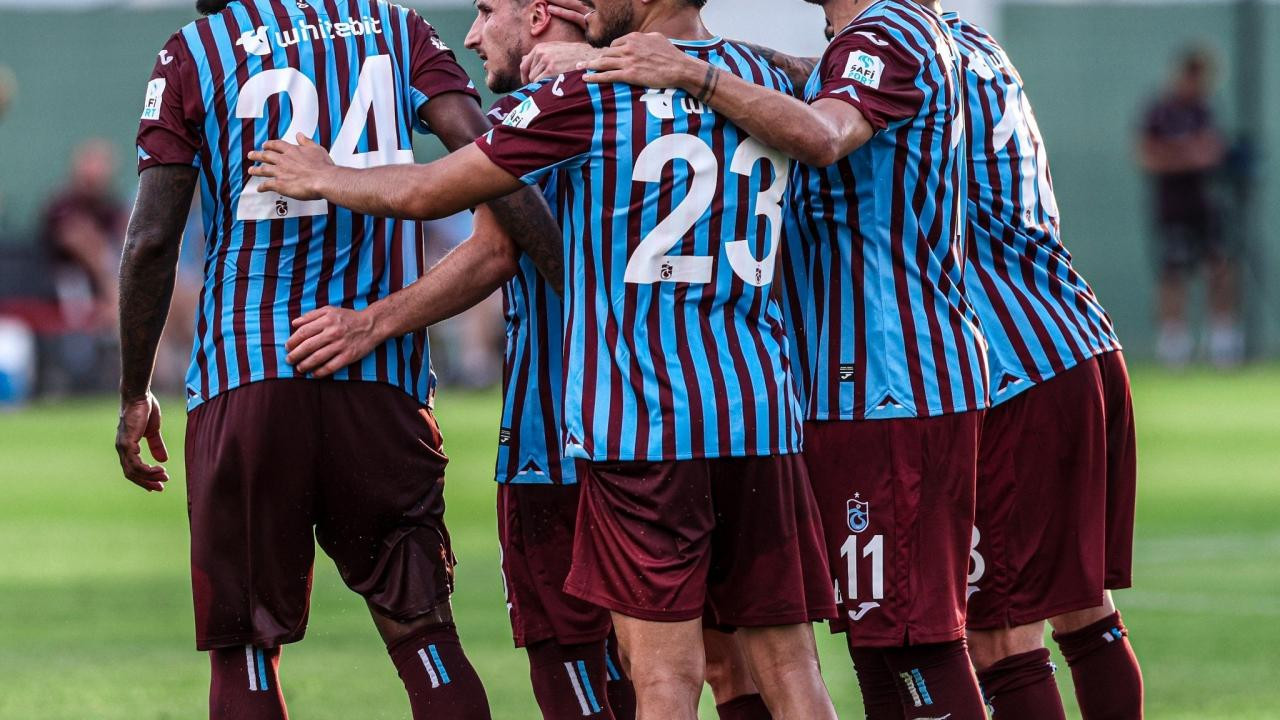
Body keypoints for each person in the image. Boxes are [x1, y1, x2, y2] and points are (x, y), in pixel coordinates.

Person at [248, 1, 841, 718]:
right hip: (759, 411)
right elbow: (823, 88)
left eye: (485, 10)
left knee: (660, 678)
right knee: (787, 668)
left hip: (636, 423)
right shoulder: (752, 80)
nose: (472, 33)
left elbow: (442, 200)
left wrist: (324, 176)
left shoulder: (579, 96)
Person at [114, 0, 563, 717]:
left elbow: (150, 241)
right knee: (424, 634)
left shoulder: (194, 50)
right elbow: (486, 151)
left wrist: (134, 392)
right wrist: (572, 281)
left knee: (247, 647)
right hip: (382, 378)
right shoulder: (398, 27)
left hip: (249, 373)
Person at [571, 0, 991, 717]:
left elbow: (822, 136)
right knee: (868, 640)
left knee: (911, 642)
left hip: (890, 381)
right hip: (858, 386)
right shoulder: (868, 43)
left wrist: (693, 74)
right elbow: (812, 82)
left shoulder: (887, 30)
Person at [283, 0, 642, 716]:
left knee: (569, 652)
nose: (472, 34)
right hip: (689, 419)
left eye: (485, 10)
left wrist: (369, 321)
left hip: (560, 436)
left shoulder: (544, 109)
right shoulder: (685, 92)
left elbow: (489, 248)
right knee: (711, 658)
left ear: (538, 16)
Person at [941, 7, 1144, 719]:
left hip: (1012, 367)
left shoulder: (903, 57)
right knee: (1085, 611)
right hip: (1078, 339)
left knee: (998, 635)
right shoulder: (977, 45)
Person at [1138, 48, 1239, 368]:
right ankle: (1174, 346)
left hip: (1206, 208)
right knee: (1173, 274)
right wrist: (1186, 155)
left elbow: (1214, 150)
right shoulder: (1160, 112)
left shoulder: (1205, 111)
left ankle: (1222, 343)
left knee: (1220, 267)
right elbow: (1147, 155)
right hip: (1174, 208)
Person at [40, 140, 127, 392]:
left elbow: (125, 243)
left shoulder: (110, 207)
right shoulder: (62, 203)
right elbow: (80, 244)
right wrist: (111, 294)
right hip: (63, 285)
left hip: (110, 284)